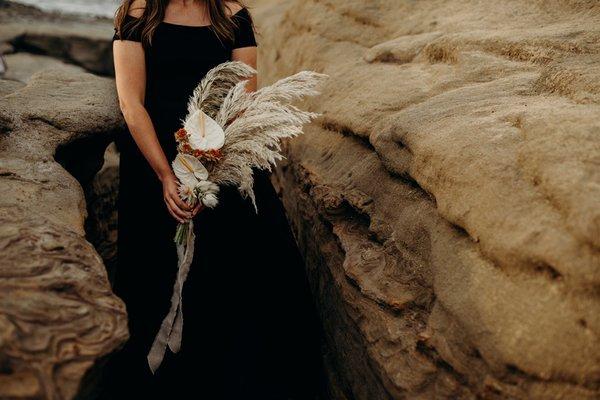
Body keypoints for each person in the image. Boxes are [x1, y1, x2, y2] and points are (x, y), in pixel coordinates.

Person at [104, 1, 325, 398]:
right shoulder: (137, 14)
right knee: (154, 271)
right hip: (153, 158)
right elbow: (131, 104)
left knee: (241, 269)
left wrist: (209, 168)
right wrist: (167, 175)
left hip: (222, 156)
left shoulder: (232, 16)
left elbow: (242, 102)